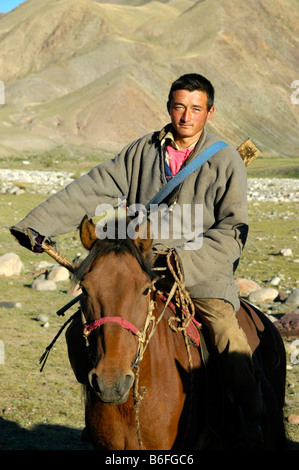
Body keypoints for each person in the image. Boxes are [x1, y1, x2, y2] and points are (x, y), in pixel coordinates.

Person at [10, 73, 263, 448]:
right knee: (84, 330)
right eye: (179, 106)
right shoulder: (142, 151)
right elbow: (94, 186)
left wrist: (184, 262)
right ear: (168, 107)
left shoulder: (226, 161)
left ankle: (250, 424)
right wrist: (37, 224)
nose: (186, 116)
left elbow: (233, 230)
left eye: (195, 108)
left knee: (228, 340)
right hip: (137, 264)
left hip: (199, 271)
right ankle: (102, 420)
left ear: (209, 112)